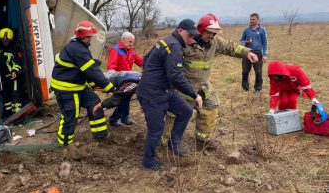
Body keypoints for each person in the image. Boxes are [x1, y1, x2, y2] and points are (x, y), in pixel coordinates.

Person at [161, 14, 258, 148]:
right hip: (183, 85)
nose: (212, 36)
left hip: (203, 85)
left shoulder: (215, 42)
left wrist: (247, 53)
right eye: (209, 33)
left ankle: (202, 140)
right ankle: (166, 142)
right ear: (200, 30)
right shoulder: (185, 41)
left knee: (211, 105)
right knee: (176, 113)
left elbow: (231, 47)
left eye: (214, 34)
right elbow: (170, 65)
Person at [137, 19, 203, 171]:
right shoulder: (175, 46)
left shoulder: (166, 40)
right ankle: (148, 162)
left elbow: (147, 59)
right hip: (152, 95)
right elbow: (175, 75)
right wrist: (194, 94)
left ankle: (174, 144)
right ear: (180, 30)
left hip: (164, 91)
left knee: (186, 111)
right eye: (189, 35)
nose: (191, 38)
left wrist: (151, 75)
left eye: (194, 36)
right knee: (156, 130)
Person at [51, 21, 115, 146]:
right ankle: (65, 144)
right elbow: (92, 71)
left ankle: (100, 135)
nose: (90, 39)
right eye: (88, 36)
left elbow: (85, 69)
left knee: (95, 103)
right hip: (66, 88)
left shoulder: (80, 46)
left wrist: (92, 83)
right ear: (80, 36)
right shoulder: (78, 49)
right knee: (71, 115)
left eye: (90, 36)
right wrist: (109, 86)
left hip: (77, 85)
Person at [106, 32, 143, 126]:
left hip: (128, 80)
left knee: (126, 98)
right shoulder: (115, 50)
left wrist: (153, 65)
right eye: (130, 42)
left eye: (132, 42)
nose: (131, 44)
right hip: (118, 80)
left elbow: (141, 62)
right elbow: (111, 68)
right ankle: (119, 118)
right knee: (124, 99)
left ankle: (121, 118)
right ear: (122, 40)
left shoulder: (132, 51)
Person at [0, 28, 22, 118]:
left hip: (12, 77)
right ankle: (8, 115)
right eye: (3, 39)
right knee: (6, 98)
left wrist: (14, 71)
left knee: (15, 96)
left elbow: (18, 62)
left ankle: (18, 115)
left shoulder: (14, 48)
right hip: (1, 78)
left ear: (10, 40)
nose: (5, 41)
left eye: (7, 40)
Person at [240, 13, 268, 93]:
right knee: (245, 71)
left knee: (258, 71)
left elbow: (265, 43)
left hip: (258, 53)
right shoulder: (246, 30)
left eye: (253, 19)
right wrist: (246, 41)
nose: (251, 21)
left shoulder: (262, 30)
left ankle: (258, 89)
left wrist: (265, 54)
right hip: (247, 53)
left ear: (257, 19)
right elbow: (241, 42)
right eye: (250, 19)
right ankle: (245, 88)